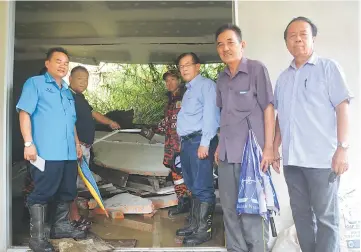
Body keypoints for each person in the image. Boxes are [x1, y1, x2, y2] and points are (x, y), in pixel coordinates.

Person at [273, 17, 353, 252]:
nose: (297, 38)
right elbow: (281, 117)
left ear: (313, 38)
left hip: (321, 161)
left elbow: (343, 108)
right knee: (302, 218)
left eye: (303, 34)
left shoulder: (329, 68)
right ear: (286, 42)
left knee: (326, 219)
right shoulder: (283, 78)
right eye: (292, 35)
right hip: (292, 162)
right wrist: (275, 147)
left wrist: (343, 148)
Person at [16, 47, 86, 252]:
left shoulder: (66, 91)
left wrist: (76, 143)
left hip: (68, 153)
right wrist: (28, 144)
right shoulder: (35, 83)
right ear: (47, 63)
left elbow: (70, 121)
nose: (63, 65)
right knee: (42, 192)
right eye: (58, 61)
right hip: (46, 151)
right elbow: (25, 113)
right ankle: (37, 239)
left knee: (67, 191)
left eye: (66, 62)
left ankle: (61, 227)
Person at [214, 24, 275, 252]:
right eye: (220, 44)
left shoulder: (256, 70)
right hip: (227, 154)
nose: (225, 48)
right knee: (229, 208)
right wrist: (220, 145)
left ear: (242, 44)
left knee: (251, 209)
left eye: (230, 42)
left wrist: (268, 148)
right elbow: (223, 115)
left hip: (251, 155)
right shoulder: (221, 79)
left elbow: (268, 109)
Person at [175, 52, 220, 246]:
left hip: (200, 142)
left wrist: (205, 142)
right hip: (187, 143)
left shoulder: (206, 86)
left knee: (203, 186)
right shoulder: (189, 90)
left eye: (187, 65)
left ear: (198, 66)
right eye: (181, 66)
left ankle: (204, 230)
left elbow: (211, 115)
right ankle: (194, 224)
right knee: (193, 186)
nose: (184, 69)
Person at [68, 65, 121, 228]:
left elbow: (93, 113)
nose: (83, 82)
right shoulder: (67, 96)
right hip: (76, 147)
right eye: (79, 78)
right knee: (71, 183)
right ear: (70, 79)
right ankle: (73, 219)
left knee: (78, 183)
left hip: (85, 148)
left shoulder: (80, 98)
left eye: (86, 79)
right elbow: (69, 123)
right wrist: (76, 144)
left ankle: (75, 216)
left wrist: (110, 122)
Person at [150, 70, 191, 217]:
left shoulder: (187, 96)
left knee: (187, 174)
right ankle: (183, 202)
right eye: (167, 81)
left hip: (184, 143)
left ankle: (193, 205)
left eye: (173, 79)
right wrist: (153, 129)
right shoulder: (170, 100)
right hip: (171, 144)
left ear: (179, 80)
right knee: (176, 175)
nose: (169, 83)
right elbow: (168, 121)